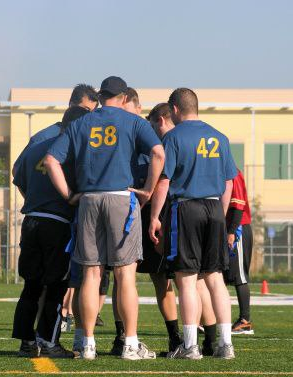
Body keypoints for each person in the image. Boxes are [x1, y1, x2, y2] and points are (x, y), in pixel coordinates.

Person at [45, 76, 164, 360]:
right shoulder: (133, 122)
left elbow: (52, 160)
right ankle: (131, 344)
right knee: (125, 274)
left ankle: (86, 343)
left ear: (99, 97)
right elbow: (158, 153)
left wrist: (69, 195)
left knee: (90, 273)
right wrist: (147, 189)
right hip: (121, 199)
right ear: (123, 97)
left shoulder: (81, 123)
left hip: (88, 199)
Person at [148, 88, 238, 359]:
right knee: (215, 278)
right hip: (213, 207)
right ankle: (225, 345)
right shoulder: (220, 137)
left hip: (186, 207)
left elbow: (164, 180)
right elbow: (229, 182)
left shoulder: (174, 137)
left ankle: (190, 346)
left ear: (174, 109)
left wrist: (154, 216)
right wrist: (220, 215)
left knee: (186, 279)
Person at [11, 106, 90, 358]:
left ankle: (26, 341)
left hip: (32, 220)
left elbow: (19, 178)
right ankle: (48, 341)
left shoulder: (36, 147)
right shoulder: (74, 150)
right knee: (57, 285)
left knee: (31, 285)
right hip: (57, 224)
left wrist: (37, 200)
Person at [111, 99, 181, 357]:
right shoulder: (119, 137)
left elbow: (163, 174)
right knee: (121, 276)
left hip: (151, 212)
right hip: (126, 211)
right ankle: (122, 337)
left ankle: (175, 337)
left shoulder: (150, 136)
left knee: (162, 278)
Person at [12, 84, 98, 177]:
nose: (88, 115)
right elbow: (17, 171)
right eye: (86, 109)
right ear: (71, 105)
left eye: (92, 112)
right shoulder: (42, 138)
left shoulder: (92, 139)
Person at [225, 168, 254, 334]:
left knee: (239, 275)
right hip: (225, 228)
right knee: (218, 275)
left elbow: (238, 205)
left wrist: (231, 231)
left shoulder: (232, 173)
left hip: (238, 229)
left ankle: (245, 320)